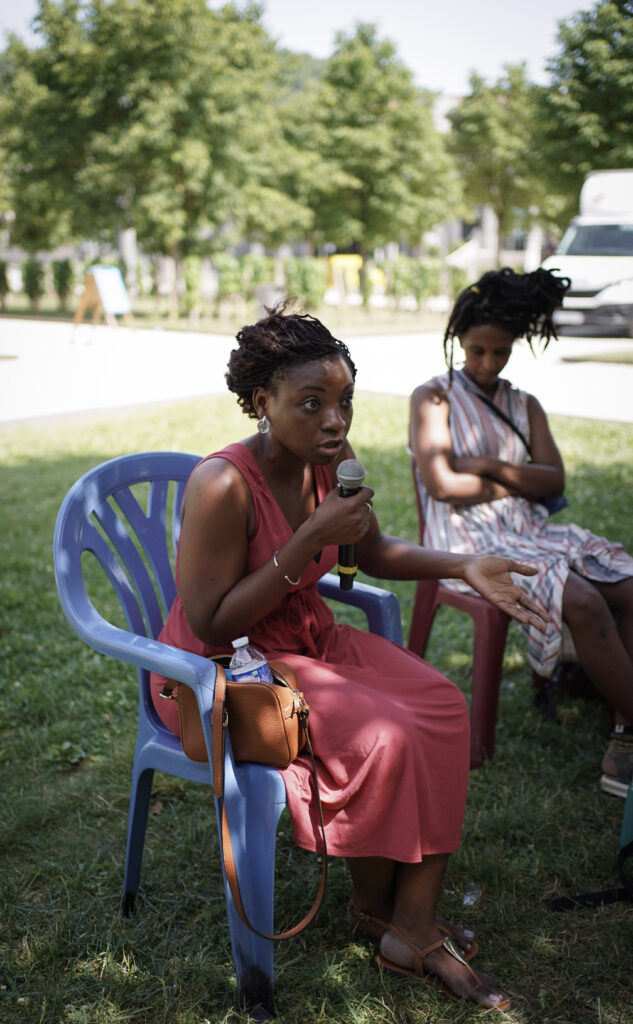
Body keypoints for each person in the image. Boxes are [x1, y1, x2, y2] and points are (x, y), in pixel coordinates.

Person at [151, 304, 548, 1011]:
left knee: (439, 706)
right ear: (259, 402)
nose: (335, 421)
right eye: (312, 404)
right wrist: (306, 542)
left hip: (304, 637)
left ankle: (400, 917)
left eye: (343, 403)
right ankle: (398, 921)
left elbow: (367, 550)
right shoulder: (222, 484)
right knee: (384, 731)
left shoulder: (320, 467)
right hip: (223, 670)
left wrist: (462, 563)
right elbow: (209, 620)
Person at [409, 266, 633, 798]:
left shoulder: (523, 403)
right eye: (478, 350)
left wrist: (485, 464)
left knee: (626, 585)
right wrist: (516, 482)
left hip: (532, 532)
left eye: (501, 353)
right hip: (468, 543)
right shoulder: (433, 398)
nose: (488, 363)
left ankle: (624, 725)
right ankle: (627, 738)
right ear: (458, 339)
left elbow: (552, 478)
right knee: (579, 600)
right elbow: (442, 484)